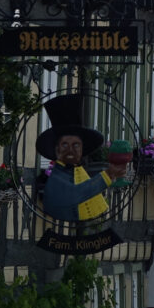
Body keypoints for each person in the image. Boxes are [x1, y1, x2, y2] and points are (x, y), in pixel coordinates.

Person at [35, 94, 127, 222]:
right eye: (65, 145)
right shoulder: (57, 176)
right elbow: (76, 193)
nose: (71, 150)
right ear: (57, 150)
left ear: (82, 149)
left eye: (76, 145)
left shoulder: (74, 169)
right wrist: (107, 175)